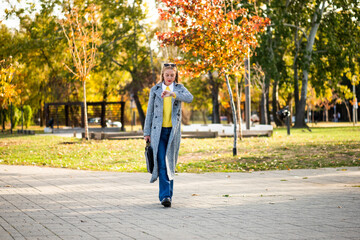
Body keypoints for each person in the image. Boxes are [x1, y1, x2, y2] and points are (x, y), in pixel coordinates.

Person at [143, 63, 193, 207]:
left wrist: (173, 94)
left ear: (175, 75)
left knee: (170, 162)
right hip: (157, 132)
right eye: (167, 75)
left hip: (173, 132)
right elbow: (150, 112)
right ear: (162, 75)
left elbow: (190, 98)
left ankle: (168, 196)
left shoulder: (179, 88)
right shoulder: (155, 90)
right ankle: (165, 196)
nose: (170, 77)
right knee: (162, 163)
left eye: (172, 75)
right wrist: (147, 133)